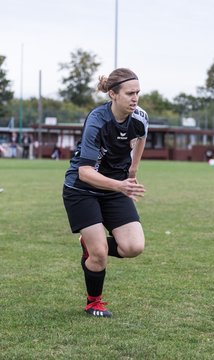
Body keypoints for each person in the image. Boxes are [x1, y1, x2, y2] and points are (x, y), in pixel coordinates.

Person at [62, 68, 148, 318]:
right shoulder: (97, 121)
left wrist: (132, 172)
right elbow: (84, 172)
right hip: (82, 190)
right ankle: (94, 303)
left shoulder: (140, 117)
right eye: (130, 93)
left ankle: (88, 242)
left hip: (115, 188)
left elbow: (141, 136)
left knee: (134, 247)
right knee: (99, 254)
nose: (135, 98)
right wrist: (120, 185)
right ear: (112, 94)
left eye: (138, 93)